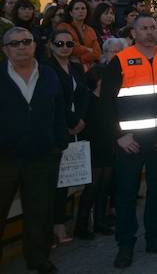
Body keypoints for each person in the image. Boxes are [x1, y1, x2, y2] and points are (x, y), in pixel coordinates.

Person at [100, 13, 157, 268]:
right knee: (126, 193)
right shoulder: (120, 61)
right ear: (134, 33)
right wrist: (120, 136)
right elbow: (106, 104)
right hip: (130, 142)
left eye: (152, 27)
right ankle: (125, 245)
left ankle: (156, 238)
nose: (150, 31)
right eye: (144, 28)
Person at [0, 27, 68, 274]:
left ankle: (38, 259)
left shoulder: (49, 75)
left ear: (34, 45)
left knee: (39, 213)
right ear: (5, 49)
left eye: (26, 42)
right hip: (4, 159)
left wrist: (59, 143)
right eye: (14, 43)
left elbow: (59, 111)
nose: (21, 47)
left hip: (42, 157)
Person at [75, 37, 128, 240]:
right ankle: (82, 226)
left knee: (104, 187)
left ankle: (99, 221)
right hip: (94, 147)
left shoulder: (109, 100)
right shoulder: (89, 100)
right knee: (92, 188)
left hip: (108, 146)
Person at [43, 28, 89, 244]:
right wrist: (70, 122)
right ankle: (54, 227)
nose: (65, 48)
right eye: (60, 44)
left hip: (77, 128)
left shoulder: (76, 68)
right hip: (55, 130)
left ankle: (67, 225)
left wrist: (80, 120)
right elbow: (53, 101)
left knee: (69, 179)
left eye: (69, 44)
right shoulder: (45, 69)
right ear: (51, 45)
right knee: (55, 183)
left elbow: (84, 96)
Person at [58, 0, 101, 68]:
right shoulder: (63, 27)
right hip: (69, 66)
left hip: (87, 67)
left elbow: (97, 53)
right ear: (71, 13)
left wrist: (81, 59)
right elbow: (71, 46)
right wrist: (88, 49)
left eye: (83, 8)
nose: (80, 11)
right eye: (77, 9)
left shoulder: (90, 30)